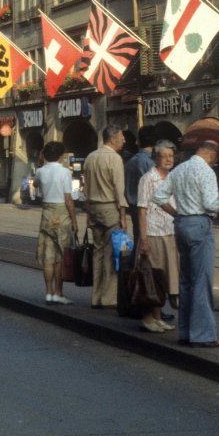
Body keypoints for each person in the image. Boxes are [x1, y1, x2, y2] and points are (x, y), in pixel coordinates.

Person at [153, 140, 219, 347]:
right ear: (212, 154)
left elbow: (158, 196)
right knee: (202, 280)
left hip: (181, 224)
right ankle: (203, 335)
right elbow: (209, 203)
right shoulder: (207, 172)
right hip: (200, 224)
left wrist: (178, 213)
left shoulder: (179, 169)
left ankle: (186, 332)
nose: (214, 164)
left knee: (186, 281)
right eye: (215, 160)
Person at [82, 124, 128, 308]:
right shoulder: (115, 159)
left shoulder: (90, 157)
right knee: (111, 254)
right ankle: (108, 298)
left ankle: (95, 296)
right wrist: (123, 216)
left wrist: (87, 211)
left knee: (98, 253)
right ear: (113, 138)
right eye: (122, 136)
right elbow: (119, 190)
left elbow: (84, 188)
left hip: (93, 209)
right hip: (110, 209)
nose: (124, 140)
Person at [136, 139, 179, 333]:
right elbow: (142, 210)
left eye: (171, 156)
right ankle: (147, 318)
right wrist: (143, 238)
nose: (169, 159)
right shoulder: (148, 178)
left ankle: (157, 316)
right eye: (165, 156)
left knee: (162, 279)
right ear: (156, 157)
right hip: (153, 233)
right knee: (151, 277)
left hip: (168, 232)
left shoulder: (171, 177)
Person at [34, 141, 79, 305]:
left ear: (44, 154)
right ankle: (59, 293)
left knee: (48, 257)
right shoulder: (65, 172)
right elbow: (68, 198)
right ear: (61, 155)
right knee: (60, 256)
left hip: (46, 214)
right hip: (62, 214)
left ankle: (49, 293)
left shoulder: (40, 171)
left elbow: (36, 184)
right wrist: (74, 220)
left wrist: (41, 161)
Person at [124, 125, 156, 245]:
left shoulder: (130, 161)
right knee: (147, 242)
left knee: (138, 238)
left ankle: (135, 263)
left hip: (133, 207)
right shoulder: (150, 163)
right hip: (148, 209)